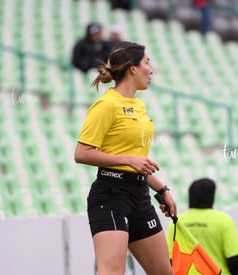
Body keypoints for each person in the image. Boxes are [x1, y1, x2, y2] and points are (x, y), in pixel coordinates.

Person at [74, 41, 176, 275]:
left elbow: (138, 160)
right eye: (146, 63)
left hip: (140, 196)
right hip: (110, 196)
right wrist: (128, 160)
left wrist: (162, 189)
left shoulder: (139, 105)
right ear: (132, 68)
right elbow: (81, 153)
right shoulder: (106, 105)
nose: (150, 69)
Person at [166, 178, 238, 275]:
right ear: (212, 196)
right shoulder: (223, 220)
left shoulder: (177, 222)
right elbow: (234, 258)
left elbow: (170, 259)